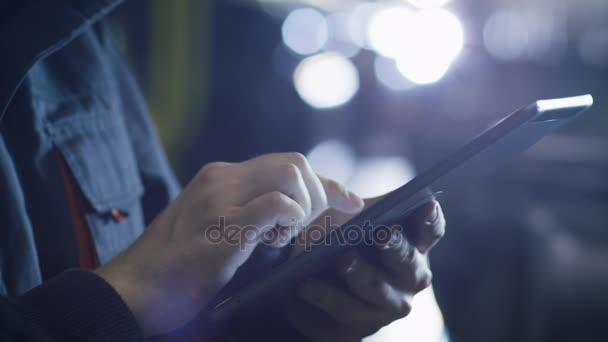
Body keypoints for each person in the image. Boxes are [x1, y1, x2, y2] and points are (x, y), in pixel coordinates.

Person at [0, 0, 446, 341]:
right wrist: (122, 295)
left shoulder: (85, 38)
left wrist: (279, 305)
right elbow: (138, 287)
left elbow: (167, 300)